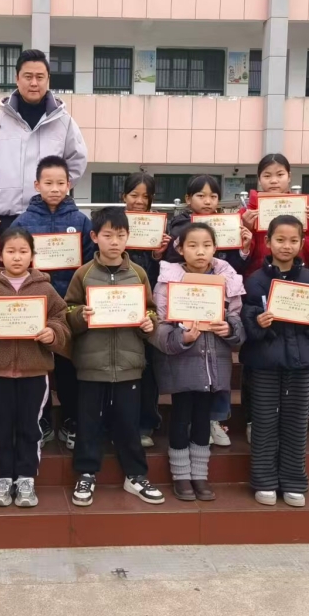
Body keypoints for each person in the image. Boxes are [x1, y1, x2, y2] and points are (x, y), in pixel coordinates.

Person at [0, 227, 71, 507]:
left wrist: (53, 333)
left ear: (32, 255)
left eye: (23, 251)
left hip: (35, 372)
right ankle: (1, 480)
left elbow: (61, 319)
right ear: (0, 255)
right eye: (11, 251)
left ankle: (26, 479)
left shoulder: (45, 289)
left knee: (30, 427)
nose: (17, 257)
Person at [64, 207, 164, 507]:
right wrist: (81, 315)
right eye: (108, 235)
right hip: (91, 364)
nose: (115, 242)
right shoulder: (83, 274)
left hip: (129, 363)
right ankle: (86, 473)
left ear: (128, 238)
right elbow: (68, 310)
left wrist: (149, 323)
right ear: (95, 237)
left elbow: (151, 310)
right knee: (89, 423)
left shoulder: (138, 273)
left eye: (120, 235)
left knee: (128, 423)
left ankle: (135, 475)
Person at [241, 215, 309, 507]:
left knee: (296, 423)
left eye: (293, 240)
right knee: (264, 422)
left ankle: (294, 482)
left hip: (301, 363)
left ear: (301, 243)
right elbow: (246, 315)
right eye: (280, 240)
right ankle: (264, 481)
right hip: (264, 363)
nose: (286, 246)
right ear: (267, 242)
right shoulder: (256, 281)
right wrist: (257, 322)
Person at [236, 155, 309, 444]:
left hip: (295, 290)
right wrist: (243, 227)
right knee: (257, 358)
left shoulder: (302, 210)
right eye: (267, 175)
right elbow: (237, 255)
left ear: (289, 178)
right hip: (259, 286)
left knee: (291, 353)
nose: (274, 180)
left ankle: (289, 423)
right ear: (258, 179)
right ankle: (254, 419)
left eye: (280, 174)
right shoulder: (247, 212)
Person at [153, 222, 244, 502]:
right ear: (180, 249)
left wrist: (229, 329)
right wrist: (182, 337)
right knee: (181, 417)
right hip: (183, 361)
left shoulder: (227, 278)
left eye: (206, 245)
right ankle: (181, 476)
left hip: (213, 361)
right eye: (192, 245)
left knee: (204, 418)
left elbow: (237, 320)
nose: (200, 251)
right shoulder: (169, 279)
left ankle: (200, 475)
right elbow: (160, 326)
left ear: (215, 248)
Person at [11, 155, 95, 448]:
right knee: (40, 368)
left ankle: (71, 419)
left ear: (69, 184)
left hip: (70, 307)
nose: (55, 188)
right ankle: (42, 420)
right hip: (35, 306)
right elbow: (13, 258)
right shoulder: (23, 222)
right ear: (37, 185)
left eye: (61, 183)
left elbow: (90, 263)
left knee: (69, 366)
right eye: (48, 183)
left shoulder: (80, 221)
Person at [164, 174, 251, 447]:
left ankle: (216, 420)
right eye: (201, 195)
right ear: (188, 199)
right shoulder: (178, 227)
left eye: (213, 196)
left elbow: (236, 271)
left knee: (215, 384)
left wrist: (244, 249)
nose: (207, 201)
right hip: (186, 330)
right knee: (183, 406)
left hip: (216, 324)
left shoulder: (229, 226)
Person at [0, 49, 88, 233]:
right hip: (6, 219)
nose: (34, 83)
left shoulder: (63, 120)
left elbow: (77, 161)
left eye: (40, 77)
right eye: (28, 76)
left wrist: (53, 189)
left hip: (49, 218)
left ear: (48, 80)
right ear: (17, 78)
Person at [119, 172, 169, 448]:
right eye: (133, 195)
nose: (139, 201)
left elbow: (166, 274)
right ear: (123, 196)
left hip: (148, 307)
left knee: (148, 366)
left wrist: (159, 255)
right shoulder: (114, 224)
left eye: (145, 197)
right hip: (116, 304)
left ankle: (146, 422)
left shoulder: (158, 228)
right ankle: (117, 423)